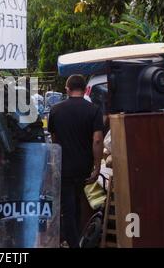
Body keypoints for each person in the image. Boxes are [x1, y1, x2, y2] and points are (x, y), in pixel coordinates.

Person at [47, 74, 104, 248]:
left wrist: (55, 163)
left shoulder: (55, 110)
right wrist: (97, 166)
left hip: (64, 166)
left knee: (68, 207)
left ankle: (73, 243)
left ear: (67, 89)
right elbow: (97, 140)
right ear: (86, 88)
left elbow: (54, 140)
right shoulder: (94, 110)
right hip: (83, 167)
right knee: (78, 203)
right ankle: (75, 240)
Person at [0, 60, 45, 188]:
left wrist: (3, 150)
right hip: (14, 159)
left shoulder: (1, 93)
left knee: (9, 200)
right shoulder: (14, 93)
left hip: (11, 159)